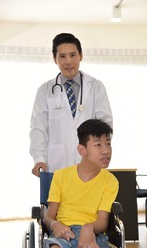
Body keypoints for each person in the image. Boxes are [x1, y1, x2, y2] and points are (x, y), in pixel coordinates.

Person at [30, 33, 113, 176]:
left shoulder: (96, 87)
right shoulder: (45, 91)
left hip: (89, 165)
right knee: (56, 198)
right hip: (56, 165)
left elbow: (105, 126)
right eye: (62, 56)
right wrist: (39, 159)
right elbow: (38, 128)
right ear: (55, 59)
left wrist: (100, 153)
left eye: (73, 55)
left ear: (81, 55)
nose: (68, 61)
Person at [43, 119, 118, 248]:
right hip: (64, 233)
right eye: (98, 145)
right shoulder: (61, 176)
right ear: (82, 150)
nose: (106, 150)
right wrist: (55, 225)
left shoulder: (110, 181)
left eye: (108, 143)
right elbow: (49, 216)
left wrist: (88, 228)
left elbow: (102, 221)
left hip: (93, 234)